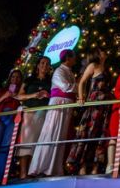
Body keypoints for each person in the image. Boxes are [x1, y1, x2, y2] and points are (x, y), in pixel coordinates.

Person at [29, 49, 77, 177]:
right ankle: (42, 167)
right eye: (73, 57)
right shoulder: (59, 71)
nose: (75, 59)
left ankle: (55, 168)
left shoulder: (69, 72)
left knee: (61, 135)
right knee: (52, 133)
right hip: (58, 104)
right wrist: (80, 84)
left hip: (66, 105)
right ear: (68, 58)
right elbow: (66, 87)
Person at [66, 48, 112, 175]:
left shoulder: (106, 69)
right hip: (94, 104)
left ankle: (95, 167)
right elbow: (81, 82)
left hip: (104, 106)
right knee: (89, 134)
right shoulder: (93, 65)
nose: (105, 52)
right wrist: (81, 97)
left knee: (100, 135)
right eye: (103, 51)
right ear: (98, 54)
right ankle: (82, 166)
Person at [15, 56, 51, 179]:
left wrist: (48, 95)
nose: (45, 66)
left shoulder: (50, 81)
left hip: (44, 114)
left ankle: (33, 172)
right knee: (26, 143)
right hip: (29, 113)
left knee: (38, 144)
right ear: (37, 65)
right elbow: (19, 96)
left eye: (47, 64)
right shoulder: (30, 80)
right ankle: (23, 173)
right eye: (42, 63)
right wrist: (34, 95)